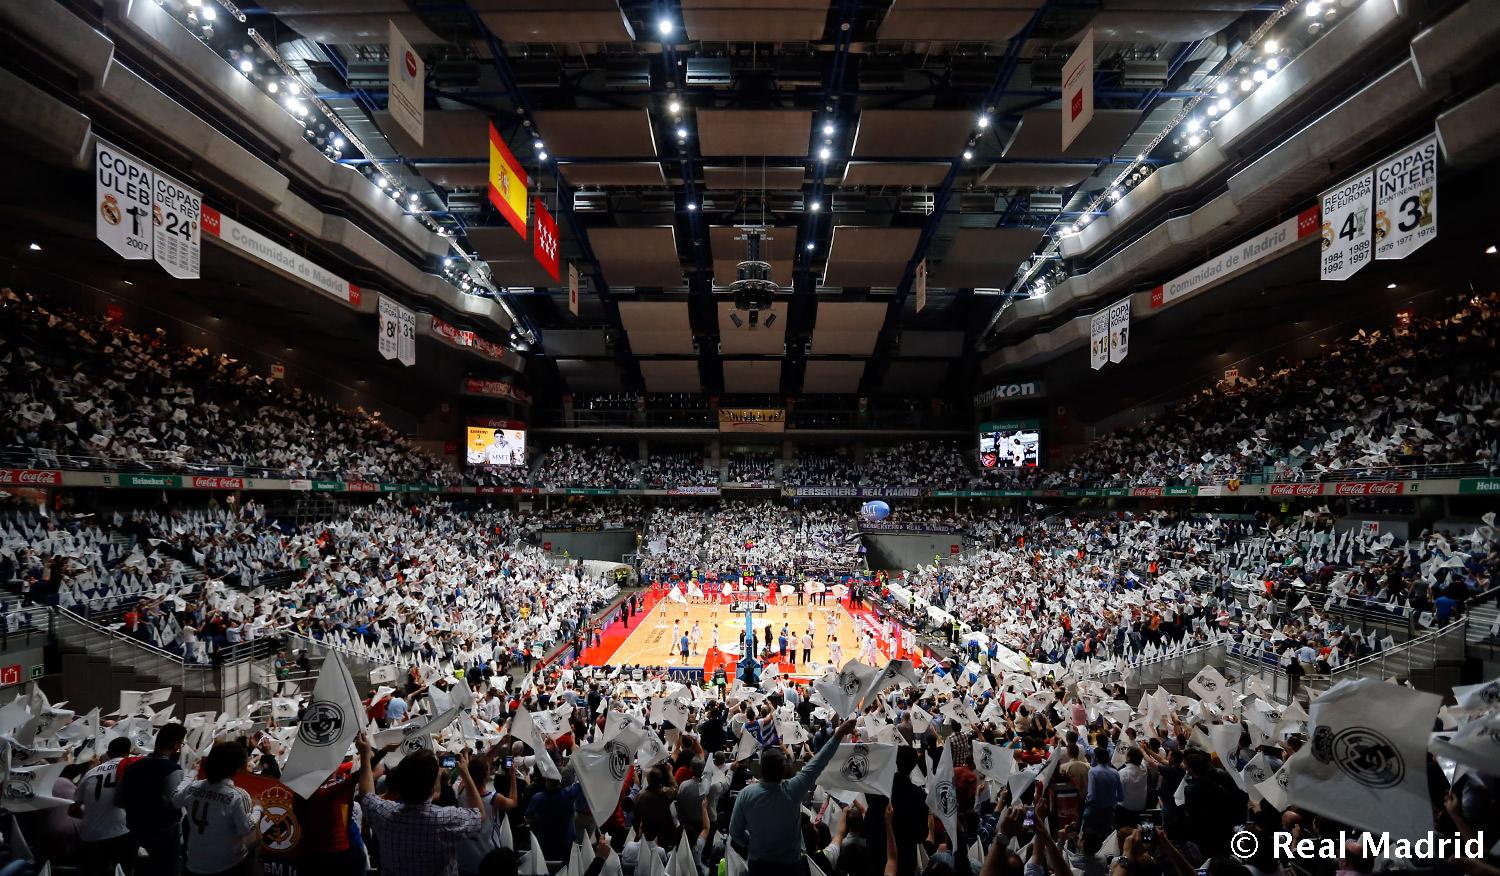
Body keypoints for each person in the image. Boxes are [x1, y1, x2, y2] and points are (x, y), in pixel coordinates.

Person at [729, 717, 856, 872]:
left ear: (761, 769)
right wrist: (839, 734)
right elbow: (819, 762)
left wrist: (753, 844)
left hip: (758, 864)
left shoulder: (745, 795)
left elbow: (735, 832)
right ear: (784, 771)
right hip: (790, 866)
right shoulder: (793, 789)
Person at [355, 734, 485, 876]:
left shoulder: (384, 814)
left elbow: (366, 794)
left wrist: (365, 755)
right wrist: (466, 775)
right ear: (432, 787)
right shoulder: (446, 819)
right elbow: (480, 815)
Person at [172, 741, 258, 876]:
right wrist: (258, 809)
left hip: (194, 862)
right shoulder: (238, 796)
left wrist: (191, 774)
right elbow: (246, 828)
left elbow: (176, 799)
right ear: (237, 767)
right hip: (226, 865)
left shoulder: (194, 786)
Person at [116, 721, 188, 876]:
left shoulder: (131, 768)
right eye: (181, 743)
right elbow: (175, 802)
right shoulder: (172, 770)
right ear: (176, 744)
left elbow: (119, 800)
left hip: (135, 830)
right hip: (165, 834)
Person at [73, 737, 135, 876]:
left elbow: (73, 809)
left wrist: (93, 813)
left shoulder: (91, 772)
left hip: (91, 835)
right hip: (121, 832)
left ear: (108, 752)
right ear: (128, 752)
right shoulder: (131, 767)